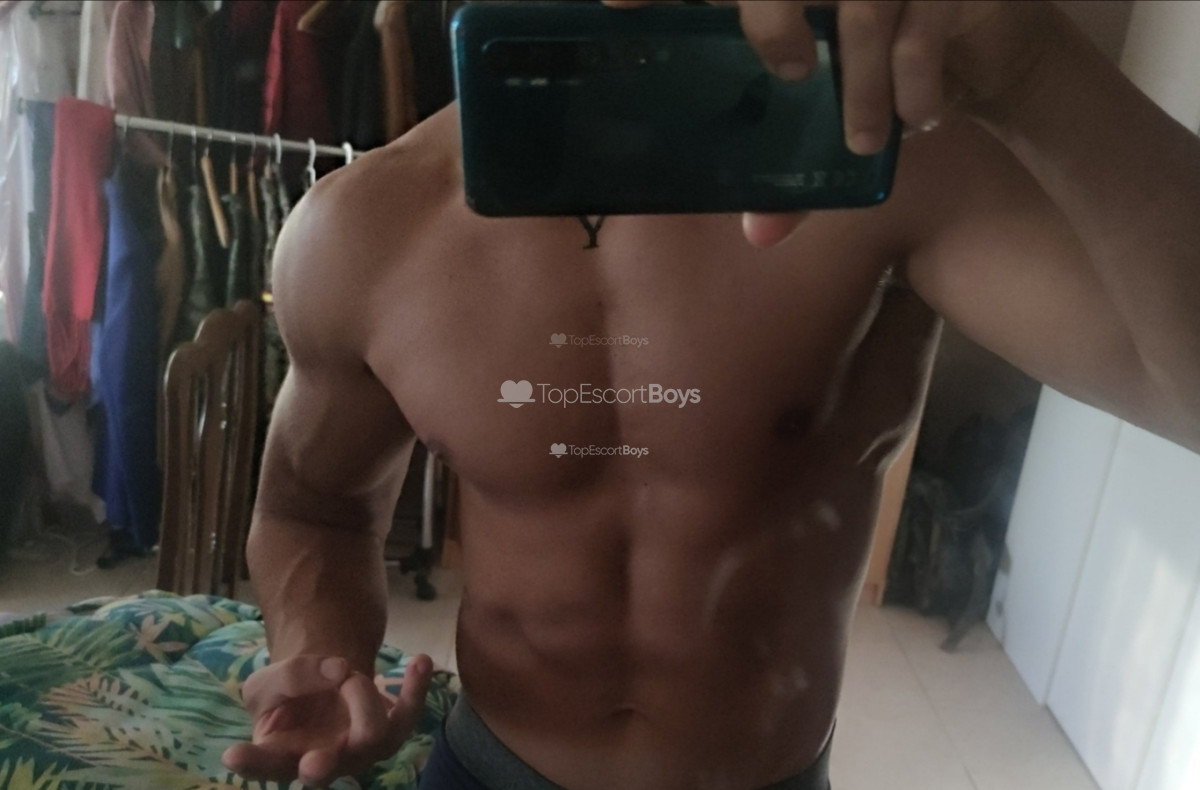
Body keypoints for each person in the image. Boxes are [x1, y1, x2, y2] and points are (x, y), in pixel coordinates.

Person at [221, 1, 1200, 788]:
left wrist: (1032, 67)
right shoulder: (366, 228)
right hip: (491, 769)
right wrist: (324, 652)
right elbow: (312, 506)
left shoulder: (882, 165)